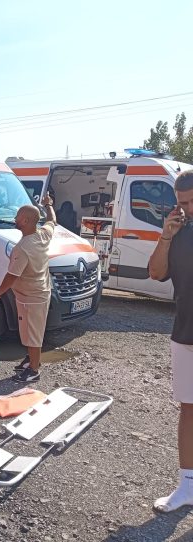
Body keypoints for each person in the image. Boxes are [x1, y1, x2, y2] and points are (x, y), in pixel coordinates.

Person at [148, 170, 193, 513]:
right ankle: (188, 486)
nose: (187, 209)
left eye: (191, 202)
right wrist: (165, 236)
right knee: (189, 409)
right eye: (182, 204)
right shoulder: (178, 232)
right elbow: (155, 272)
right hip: (185, 333)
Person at [0, 193, 56, 383]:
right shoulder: (43, 234)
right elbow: (52, 221)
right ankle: (31, 359)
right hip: (40, 292)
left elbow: (12, 276)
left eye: (18, 216)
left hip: (31, 298)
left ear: (26, 221)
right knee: (30, 331)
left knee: (33, 335)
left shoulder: (22, 248)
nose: (15, 219)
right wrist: (48, 205)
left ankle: (33, 370)